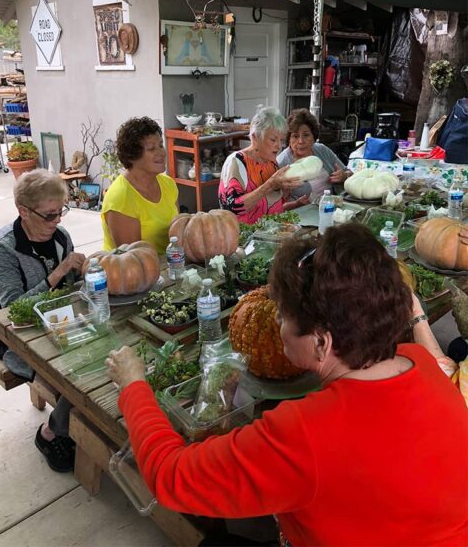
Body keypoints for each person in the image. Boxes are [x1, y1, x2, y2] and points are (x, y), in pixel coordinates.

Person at [105, 223, 467, 546]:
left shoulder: (303, 433)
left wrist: (133, 386)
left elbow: (169, 476)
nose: (276, 322)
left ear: (321, 342)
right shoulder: (419, 363)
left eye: (281, 314)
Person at [0, 169, 85, 472]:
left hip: (61, 323)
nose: (57, 221)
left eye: (60, 213)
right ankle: (51, 432)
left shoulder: (59, 236)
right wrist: (57, 274)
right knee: (76, 374)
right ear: (23, 211)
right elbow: (14, 309)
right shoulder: (2, 247)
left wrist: (85, 274)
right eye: (49, 215)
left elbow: (70, 291)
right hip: (19, 338)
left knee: (101, 356)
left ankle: (86, 427)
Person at [218, 106, 308, 224]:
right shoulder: (237, 162)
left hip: (271, 233)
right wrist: (270, 185)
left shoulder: (271, 162)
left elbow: (273, 206)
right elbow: (231, 208)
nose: (278, 146)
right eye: (273, 140)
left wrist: (294, 201)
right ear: (255, 137)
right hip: (244, 237)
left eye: (281, 140)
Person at [101, 117, 178, 254]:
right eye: (151, 148)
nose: (161, 152)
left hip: (171, 265)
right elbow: (133, 258)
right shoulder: (120, 198)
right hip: (135, 271)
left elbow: (178, 232)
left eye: (161, 145)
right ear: (132, 156)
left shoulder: (168, 184)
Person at [277, 108, 352, 200]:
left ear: (314, 136)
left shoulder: (322, 150)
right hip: (300, 212)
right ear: (289, 139)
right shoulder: (282, 163)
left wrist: (344, 176)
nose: (301, 141)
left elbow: (350, 174)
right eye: (295, 136)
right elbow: (278, 201)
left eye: (306, 135)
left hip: (331, 206)